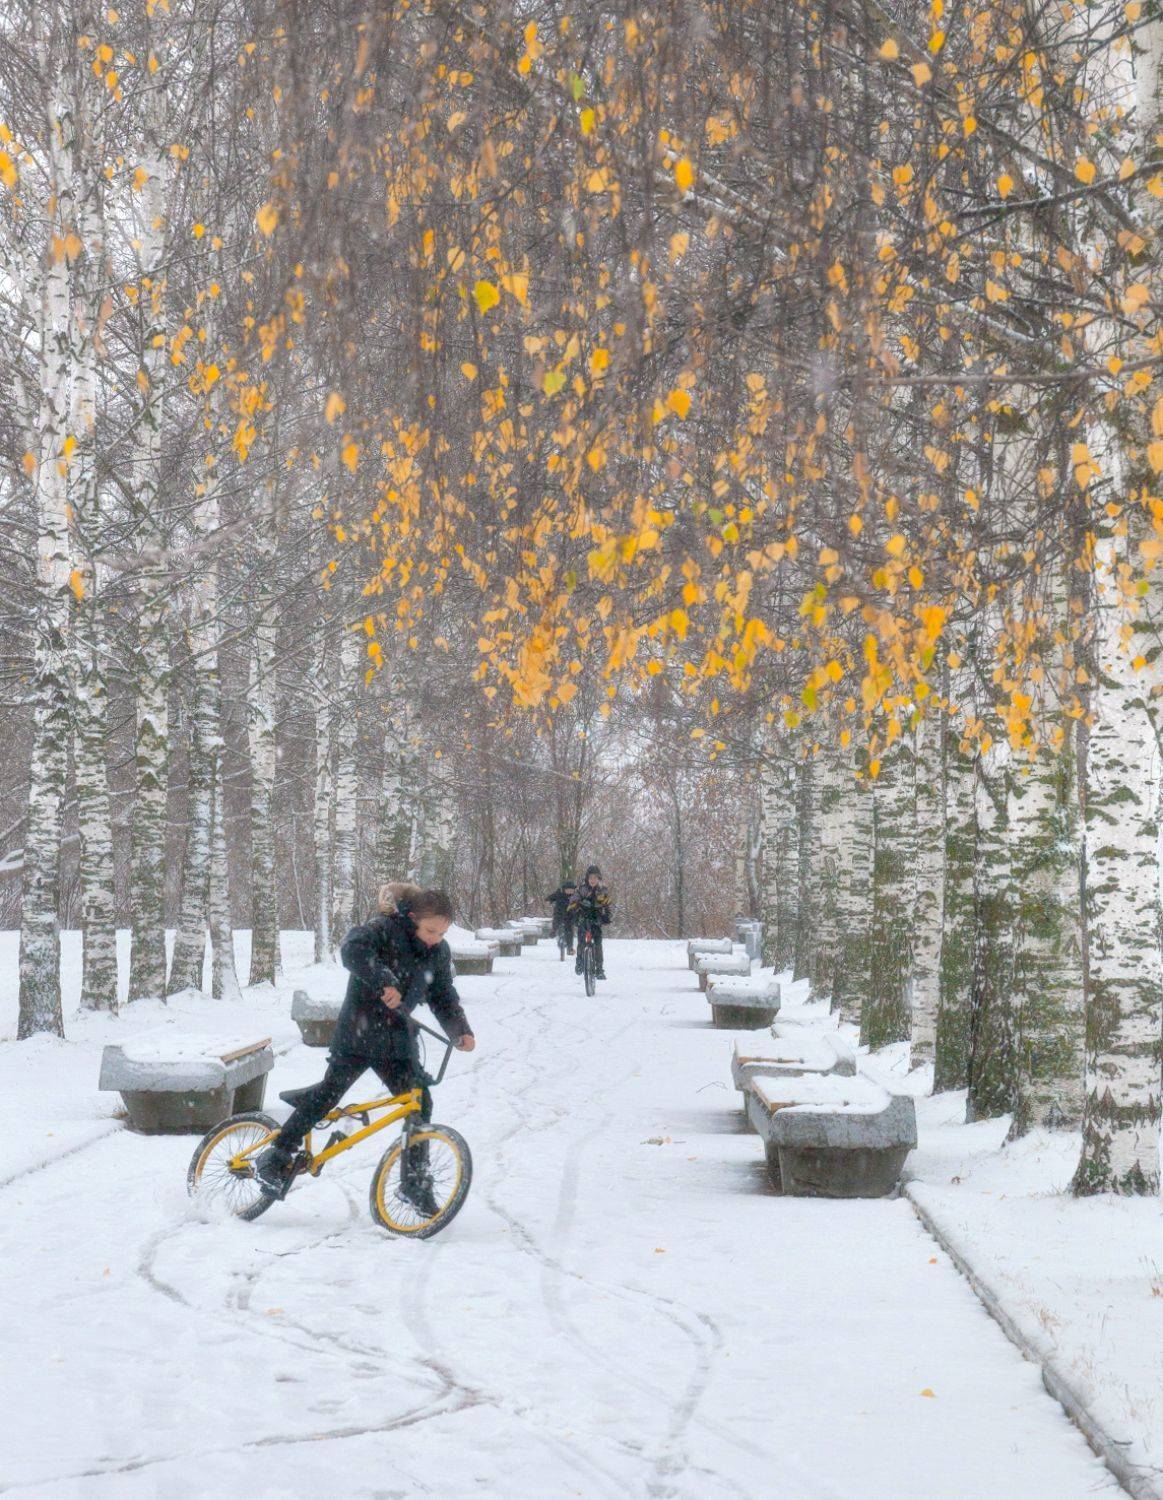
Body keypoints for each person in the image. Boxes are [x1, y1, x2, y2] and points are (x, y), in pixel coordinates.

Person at [254, 884, 475, 1209]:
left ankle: (413, 1184)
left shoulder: (437, 952)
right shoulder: (384, 930)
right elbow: (352, 950)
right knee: (330, 1093)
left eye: (442, 933)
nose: (435, 939)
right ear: (413, 918)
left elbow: (442, 994)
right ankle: (276, 1155)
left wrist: (460, 1030)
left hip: (398, 1041)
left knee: (419, 1103)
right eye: (430, 931)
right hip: (359, 1033)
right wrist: (384, 980)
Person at [569, 865, 612, 981]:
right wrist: (574, 908)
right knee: (582, 940)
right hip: (584, 916)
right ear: (587, 879)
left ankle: (599, 969)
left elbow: (607, 904)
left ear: (599, 879)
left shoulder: (602, 890)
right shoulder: (582, 889)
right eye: (590, 878)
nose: (593, 880)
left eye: (595, 878)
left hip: (596, 917)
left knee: (598, 943)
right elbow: (573, 900)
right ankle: (579, 961)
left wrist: (607, 915)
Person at [545, 877, 579, 955]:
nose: (569, 891)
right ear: (564, 889)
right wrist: (549, 900)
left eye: (571, 889)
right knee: (556, 922)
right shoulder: (559, 894)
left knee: (570, 931)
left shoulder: (576, 896)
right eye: (568, 889)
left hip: (570, 916)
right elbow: (551, 897)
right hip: (559, 914)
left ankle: (570, 948)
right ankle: (553, 931)